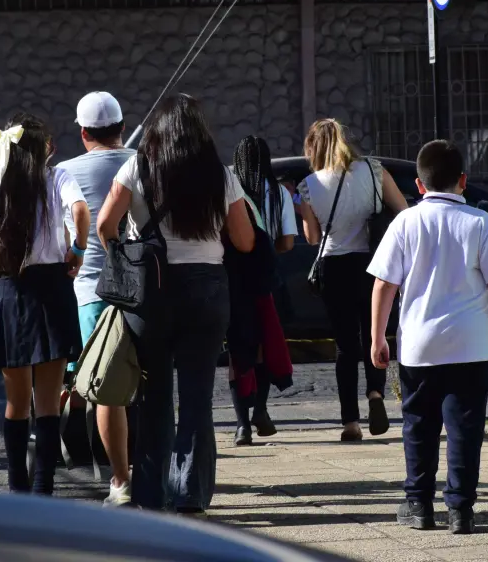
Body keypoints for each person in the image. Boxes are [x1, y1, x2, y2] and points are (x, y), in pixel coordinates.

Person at [97, 94, 254, 516]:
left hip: (152, 291)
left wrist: (126, 255)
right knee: (198, 397)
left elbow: (104, 225)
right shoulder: (220, 177)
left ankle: (151, 493)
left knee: (154, 398)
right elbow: (244, 240)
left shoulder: (137, 169)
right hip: (206, 289)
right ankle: (191, 495)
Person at [368, 139, 488, 534]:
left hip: (419, 346)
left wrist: (378, 337)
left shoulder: (405, 222)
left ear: (420, 186)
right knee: (465, 428)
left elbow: (383, 285)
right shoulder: (480, 223)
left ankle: (418, 504)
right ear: (463, 180)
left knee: (418, 426)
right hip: (471, 346)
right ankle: (461, 509)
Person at [0, 113, 91, 495]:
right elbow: (82, 211)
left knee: (16, 404)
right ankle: (43, 488)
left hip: (11, 294)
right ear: (42, 149)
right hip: (52, 289)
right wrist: (78, 250)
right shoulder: (56, 179)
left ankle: (16, 488)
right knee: (49, 403)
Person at [297, 119, 408, 442]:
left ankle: (350, 423)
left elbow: (313, 235)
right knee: (376, 335)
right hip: (373, 263)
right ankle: (376, 394)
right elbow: (402, 211)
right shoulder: (374, 170)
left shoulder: (308, 185)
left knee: (346, 346)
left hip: (334, 267)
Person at [56, 91, 137, 506]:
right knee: (147, 382)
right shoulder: (143, 162)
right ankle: (148, 468)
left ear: (83, 132)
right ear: (122, 128)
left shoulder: (63, 171)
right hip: (144, 290)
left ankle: (118, 478)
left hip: (90, 291)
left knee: (104, 386)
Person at [228, 136, 297, 446]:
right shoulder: (280, 193)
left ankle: (241, 424)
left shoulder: (230, 192)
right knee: (265, 345)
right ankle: (262, 410)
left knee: (238, 351)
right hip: (266, 282)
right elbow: (287, 243)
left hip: (233, 281)